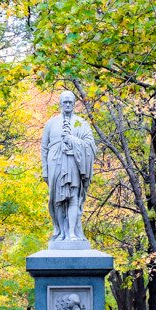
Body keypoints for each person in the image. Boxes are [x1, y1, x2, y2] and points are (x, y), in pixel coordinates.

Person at [41, 90, 96, 242]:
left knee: (73, 197)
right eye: (64, 101)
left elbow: (90, 145)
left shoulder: (81, 123)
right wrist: (44, 170)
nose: (67, 104)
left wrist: (72, 140)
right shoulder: (51, 123)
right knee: (57, 199)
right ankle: (60, 232)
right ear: (60, 103)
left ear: (74, 104)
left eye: (70, 102)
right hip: (55, 165)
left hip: (73, 163)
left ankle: (72, 232)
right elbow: (44, 148)